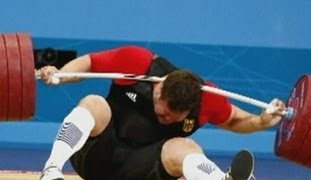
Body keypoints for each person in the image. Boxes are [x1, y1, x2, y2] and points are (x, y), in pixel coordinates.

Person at [37, 45, 285, 180]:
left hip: (142, 171)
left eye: (173, 118)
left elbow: (234, 120)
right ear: (159, 87)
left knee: (186, 148)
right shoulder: (137, 62)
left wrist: (262, 120)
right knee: (94, 103)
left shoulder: (207, 97)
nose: (165, 119)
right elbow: (90, 63)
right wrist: (60, 75)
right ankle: (51, 171)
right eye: (164, 112)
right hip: (94, 156)